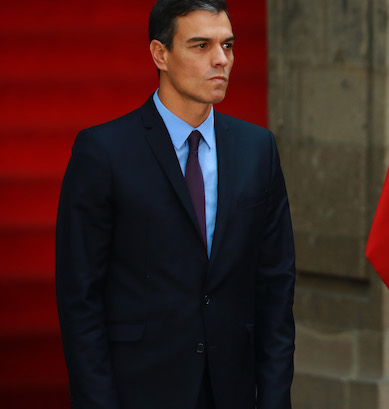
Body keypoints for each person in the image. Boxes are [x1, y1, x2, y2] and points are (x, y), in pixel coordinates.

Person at [55, 1, 295, 408]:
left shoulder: (258, 149)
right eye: (201, 46)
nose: (221, 60)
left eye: (228, 45)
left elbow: (275, 287)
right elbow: (80, 297)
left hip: (232, 389)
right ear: (159, 54)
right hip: (140, 390)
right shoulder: (103, 151)